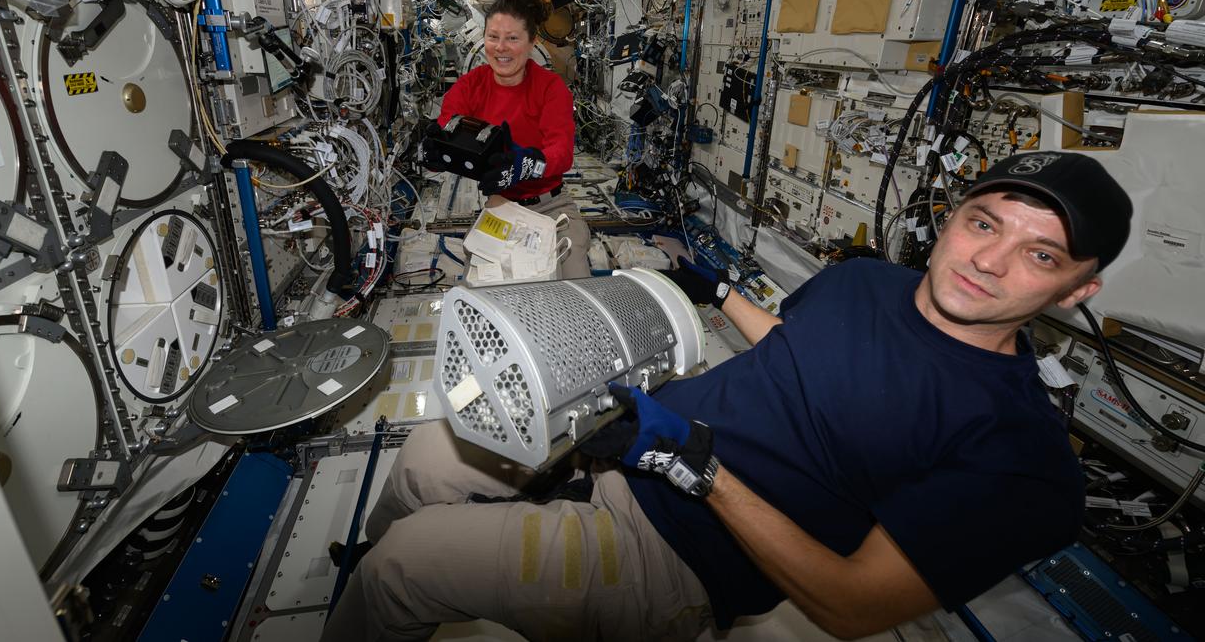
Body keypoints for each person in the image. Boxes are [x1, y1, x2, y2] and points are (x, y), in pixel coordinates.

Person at [321, 151, 1133, 641]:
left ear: (1076, 289)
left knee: (405, 564)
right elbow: (797, 347)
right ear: (950, 217)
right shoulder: (867, 282)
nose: (989, 260)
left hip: (681, 551)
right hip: (637, 437)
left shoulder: (1020, 456)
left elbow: (851, 605)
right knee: (428, 455)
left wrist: (695, 466)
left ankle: (382, 597)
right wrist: (713, 291)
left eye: (1040, 254)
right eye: (985, 223)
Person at [429, 0, 590, 278]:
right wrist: (438, 146)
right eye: (493, 36)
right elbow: (448, 125)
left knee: (575, 277)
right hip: (500, 204)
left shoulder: (550, 88)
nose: (501, 48)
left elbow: (561, 152)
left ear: (531, 43)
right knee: (478, 282)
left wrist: (524, 165)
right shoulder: (472, 85)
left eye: (513, 38)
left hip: (551, 205)